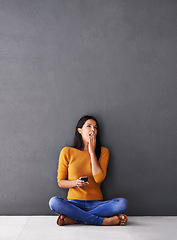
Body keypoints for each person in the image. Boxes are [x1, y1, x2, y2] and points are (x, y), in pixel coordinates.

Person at [49, 115, 128, 226]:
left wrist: (91, 152)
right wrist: (75, 183)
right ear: (80, 130)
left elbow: (99, 178)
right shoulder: (67, 151)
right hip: (74, 203)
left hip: (96, 203)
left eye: (95, 127)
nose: (93, 130)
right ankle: (102, 221)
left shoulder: (103, 152)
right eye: (89, 126)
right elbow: (61, 182)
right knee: (54, 202)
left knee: (122, 203)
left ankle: (75, 219)